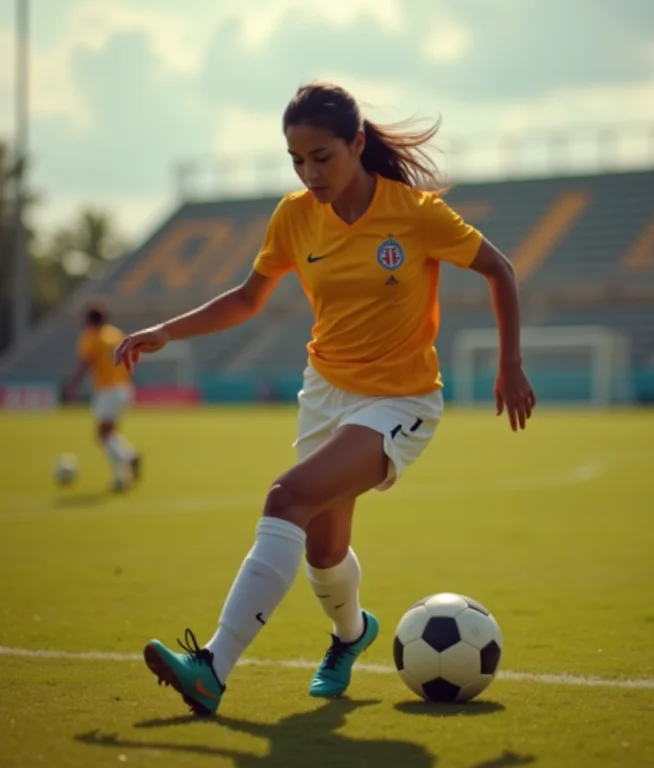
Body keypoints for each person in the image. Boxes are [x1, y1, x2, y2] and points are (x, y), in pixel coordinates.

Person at [114, 81, 536, 716]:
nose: (309, 173)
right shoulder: (293, 216)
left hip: (401, 401)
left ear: (357, 145)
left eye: (322, 157)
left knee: (286, 497)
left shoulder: (414, 213)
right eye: (296, 160)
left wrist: (510, 364)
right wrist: (166, 330)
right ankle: (351, 634)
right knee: (322, 548)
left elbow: (498, 268)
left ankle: (212, 668)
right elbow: (248, 298)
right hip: (325, 393)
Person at [65, 298, 141, 492]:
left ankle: (127, 460)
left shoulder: (91, 338)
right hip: (123, 387)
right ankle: (123, 471)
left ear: (90, 320)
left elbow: (85, 364)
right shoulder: (115, 334)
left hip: (107, 389)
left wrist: (73, 385)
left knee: (103, 435)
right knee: (110, 433)